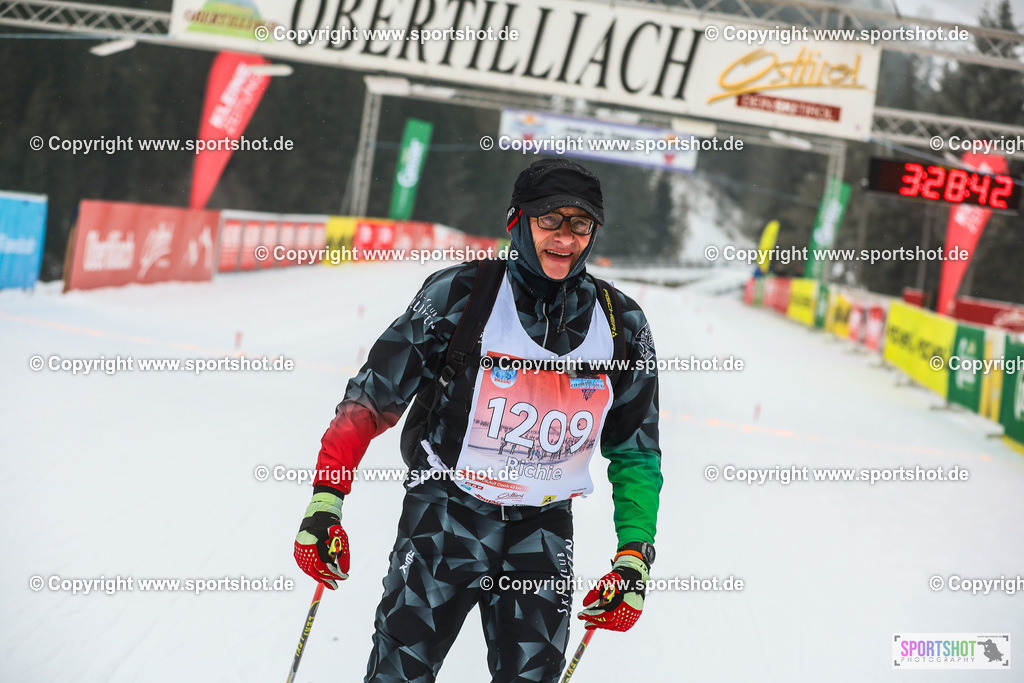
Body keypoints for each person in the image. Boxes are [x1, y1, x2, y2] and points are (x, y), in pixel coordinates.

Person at [293, 158, 663, 682]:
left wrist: (634, 555)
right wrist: (326, 501)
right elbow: (371, 398)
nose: (565, 238)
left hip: (542, 529)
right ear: (517, 222)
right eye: (550, 220)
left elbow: (637, 450)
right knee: (400, 673)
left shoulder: (621, 322)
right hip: (447, 515)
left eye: (580, 224)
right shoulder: (461, 294)